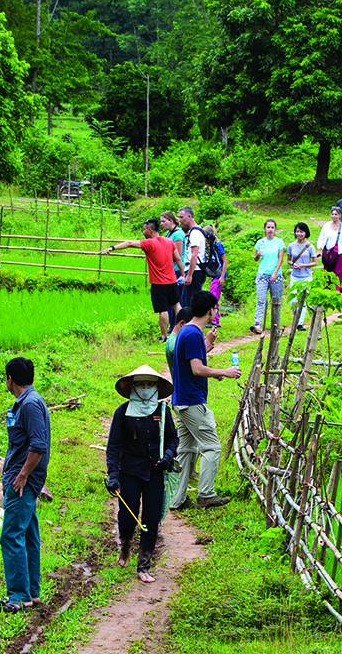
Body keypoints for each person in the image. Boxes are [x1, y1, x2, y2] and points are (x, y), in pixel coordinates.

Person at [105, 365, 178, 583]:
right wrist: (113, 475)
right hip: (130, 471)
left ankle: (144, 564)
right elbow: (114, 447)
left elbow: (173, 439)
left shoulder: (163, 412)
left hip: (155, 471)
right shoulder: (123, 412)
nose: (146, 389)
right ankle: (126, 542)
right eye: (141, 385)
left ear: (156, 387)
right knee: (127, 517)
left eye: (150, 384)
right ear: (133, 388)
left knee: (151, 518)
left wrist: (167, 455)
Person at [168, 290, 240, 510]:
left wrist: (213, 368)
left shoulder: (188, 332)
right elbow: (197, 369)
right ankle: (206, 494)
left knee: (186, 451)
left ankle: (176, 499)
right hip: (191, 401)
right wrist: (225, 371)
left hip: (181, 400)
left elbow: (193, 365)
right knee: (211, 447)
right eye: (215, 308)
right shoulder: (192, 334)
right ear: (211, 310)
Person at [1, 357, 50, 612]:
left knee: (11, 535)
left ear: (10, 379)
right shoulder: (28, 402)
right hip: (26, 480)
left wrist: (22, 475)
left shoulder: (29, 405)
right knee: (28, 534)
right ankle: (31, 593)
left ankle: (18, 596)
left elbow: (38, 445)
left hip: (23, 482)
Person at [102, 219, 184, 339]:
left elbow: (129, 243)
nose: (143, 231)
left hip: (158, 283)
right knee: (176, 305)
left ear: (150, 230)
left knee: (163, 310)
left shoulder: (149, 243)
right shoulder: (169, 242)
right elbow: (178, 259)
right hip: (172, 281)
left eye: (144, 229)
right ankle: (184, 329)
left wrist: (112, 248)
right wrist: (182, 274)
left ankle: (164, 336)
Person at [251, 219, 287, 334]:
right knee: (261, 300)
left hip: (276, 274)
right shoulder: (260, 242)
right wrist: (257, 254)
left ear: (275, 229)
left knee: (276, 301)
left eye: (272, 227)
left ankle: (275, 325)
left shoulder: (279, 242)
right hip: (262, 274)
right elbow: (255, 259)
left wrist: (275, 273)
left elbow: (281, 258)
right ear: (265, 229)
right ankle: (258, 324)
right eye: (268, 227)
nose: (270, 230)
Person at [286, 221, 317, 330]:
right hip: (295, 276)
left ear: (306, 233)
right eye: (297, 231)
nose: (299, 234)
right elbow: (289, 260)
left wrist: (304, 265)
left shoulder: (310, 246)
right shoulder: (291, 246)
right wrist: (293, 264)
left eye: (301, 231)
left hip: (306, 276)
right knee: (293, 300)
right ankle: (296, 317)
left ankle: (300, 323)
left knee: (303, 299)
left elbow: (315, 262)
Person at [176, 206, 208, 310]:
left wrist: (189, 275)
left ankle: (190, 324)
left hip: (195, 271)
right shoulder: (195, 231)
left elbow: (194, 255)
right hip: (196, 270)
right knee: (190, 301)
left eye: (182, 217)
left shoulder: (195, 233)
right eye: (179, 218)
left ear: (189, 216)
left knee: (188, 303)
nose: (180, 221)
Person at [317, 206, 342, 291]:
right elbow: (321, 238)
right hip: (329, 254)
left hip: (341, 253)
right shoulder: (326, 226)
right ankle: (328, 289)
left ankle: (336, 291)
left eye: (336, 214)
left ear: (340, 215)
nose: (334, 216)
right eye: (332, 214)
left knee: (338, 273)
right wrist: (319, 249)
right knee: (328, 272)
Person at [203, 223, 226, 329]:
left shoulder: (218, 244)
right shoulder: (211, 245)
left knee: (213, 298)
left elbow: (225, 261)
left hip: (219, 275)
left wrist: (222, 276)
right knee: (214, 296)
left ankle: (215, 321)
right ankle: (215, 319)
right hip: (215, 275)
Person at [160, 211, 186, 280]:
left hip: (177, 270)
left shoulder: (178, 234)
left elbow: (177, 255)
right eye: (161, 222)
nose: (161, 224)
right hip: (170, 268)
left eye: (163, 221)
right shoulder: (168, 233)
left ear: (171, 221)